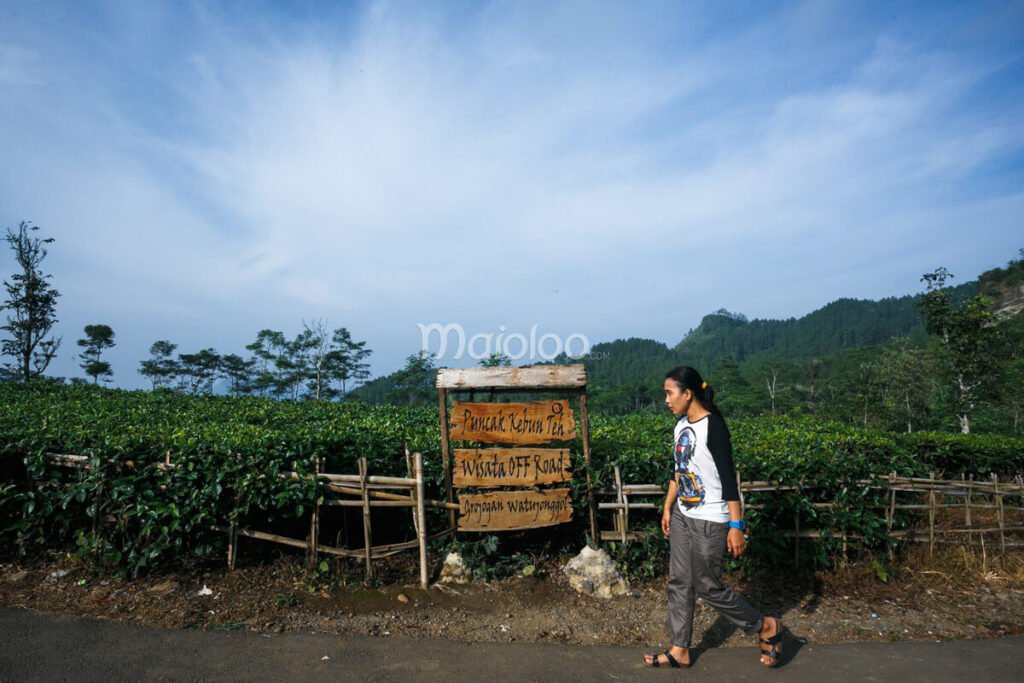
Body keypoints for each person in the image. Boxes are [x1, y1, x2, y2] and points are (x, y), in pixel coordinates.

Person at [643, 365, 784, 669]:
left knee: (707, 585)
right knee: (679, 580)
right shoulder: (681, 426)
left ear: (688, 393)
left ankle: (765, 625)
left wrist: (736, 525)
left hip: (711, 519)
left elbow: (728, 479)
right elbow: (678, 471)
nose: (666, 400)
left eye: (670, 393)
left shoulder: (713, 426)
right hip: (683, 514)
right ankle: (680, 648)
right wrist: (668, 506)